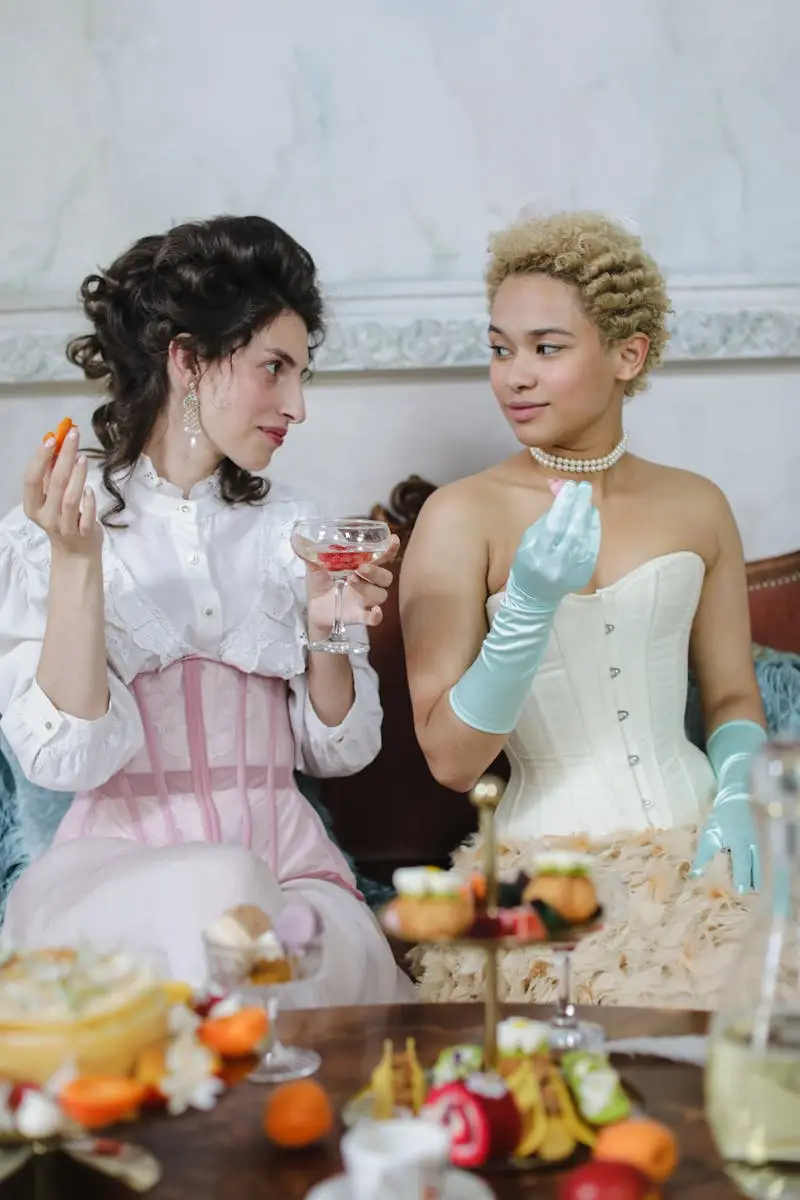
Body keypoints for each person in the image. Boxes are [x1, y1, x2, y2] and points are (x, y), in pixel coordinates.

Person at [0, 214, 413, 1004]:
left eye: (302, 374)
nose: (296, 405)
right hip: (116, 885)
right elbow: (67, 761)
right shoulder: (51, 530)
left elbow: (340, 753)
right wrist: (79, 566)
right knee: (222, 893)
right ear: (188, 360)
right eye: (273, 368)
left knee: (288, 934)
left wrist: (327, 626)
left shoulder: (296, 530)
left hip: (292, 875)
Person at [400, 211, 771, 1010]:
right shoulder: (460, 516)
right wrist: (527, 607)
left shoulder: (697, 505)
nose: (513, 376)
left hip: (706, 848)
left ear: (627, 355)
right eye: (500, 349)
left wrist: (740, 792)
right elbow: (452, 759)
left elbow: (735, 695)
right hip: (545, 870)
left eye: (547, 348)